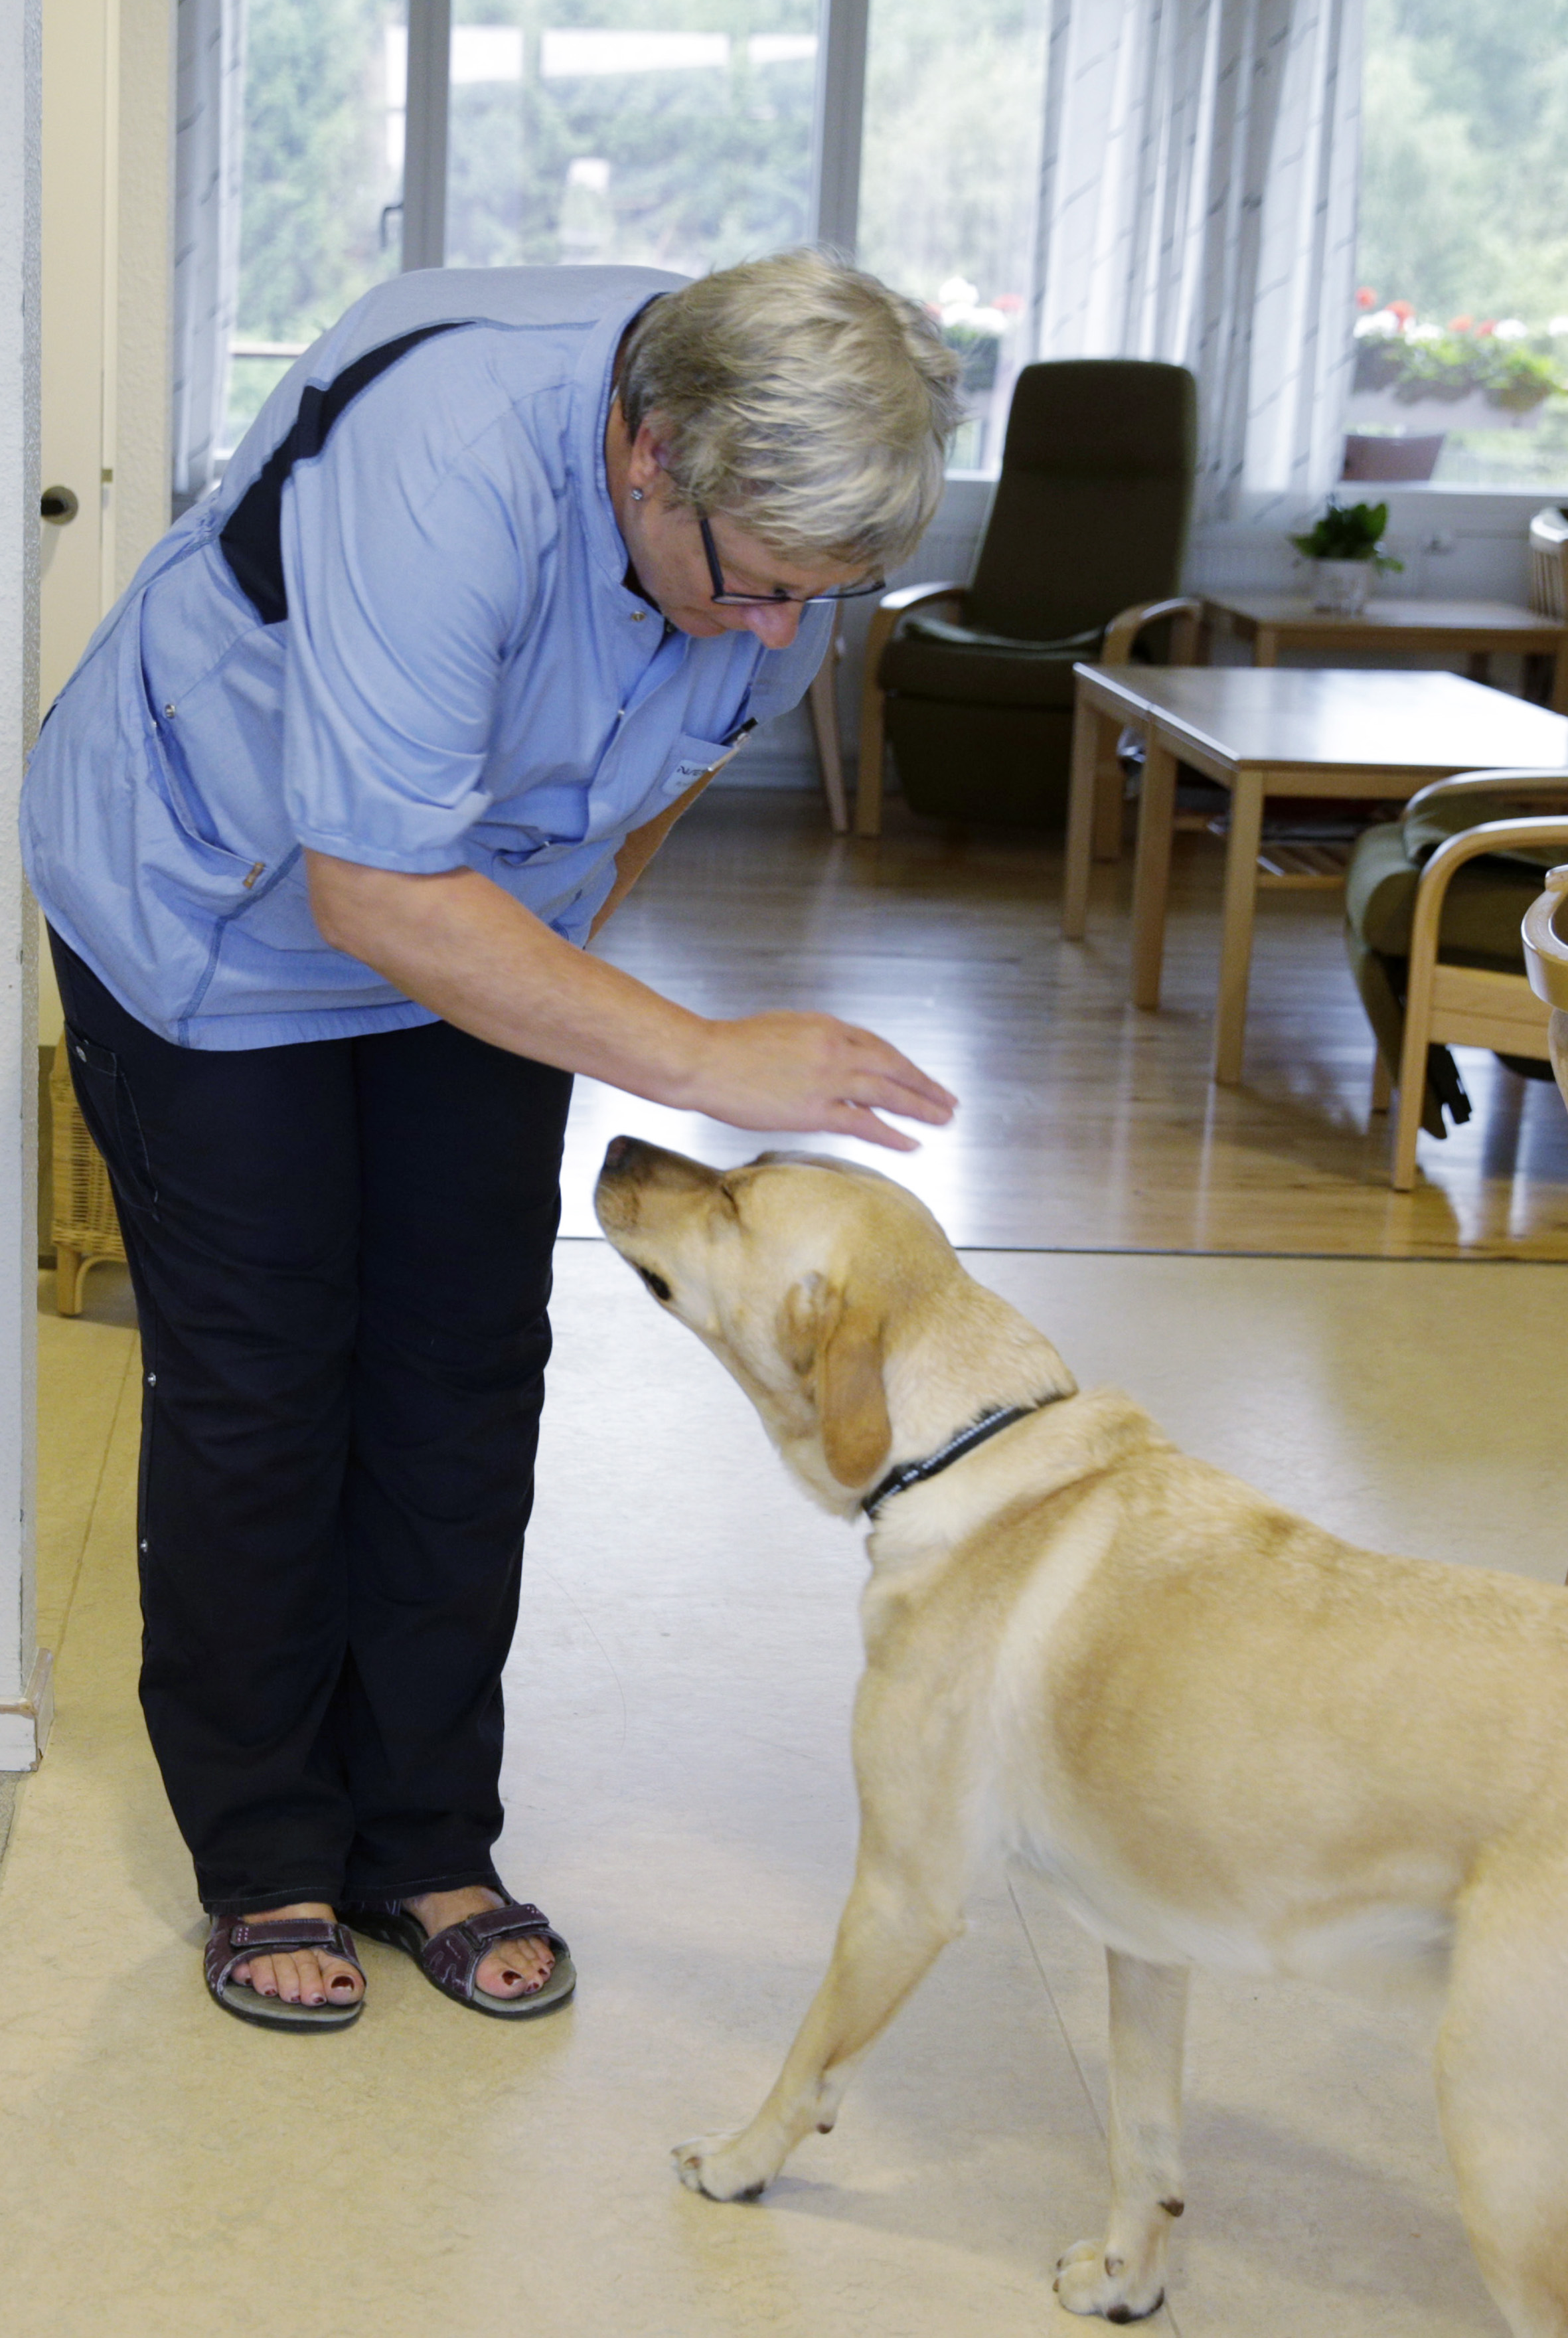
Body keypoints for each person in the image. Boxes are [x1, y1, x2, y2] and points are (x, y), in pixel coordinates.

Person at [23, 248, 959, 2030]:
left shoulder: (775, 513)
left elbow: (662, 770)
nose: (783, 628)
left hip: (475, 920)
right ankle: (271, 1852)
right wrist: (696, 1058)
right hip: (212, 904)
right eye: (757, 586)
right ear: (644, 457)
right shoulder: (449, 459)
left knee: (462, 1365)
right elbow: (372, 887)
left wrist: (559, 977)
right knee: (264, 1374)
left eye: (822, 595)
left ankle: (423, 1831)